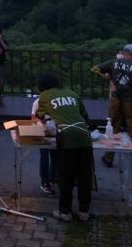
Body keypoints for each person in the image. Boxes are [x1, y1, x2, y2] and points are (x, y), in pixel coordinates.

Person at [35, 73, 93, 222]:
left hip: (66, 135)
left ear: (42, 86)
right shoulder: (72, 93)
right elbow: (85, 116)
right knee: (84, 175)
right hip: (84, 134)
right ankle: (84, 211)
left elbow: (39, 116)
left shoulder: (44, 96)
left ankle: (65, 212)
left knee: (66, 175)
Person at [90, 43, 132, 167]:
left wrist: (105, 76)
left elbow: (94, 68)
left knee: (112, 127)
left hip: (116, 100)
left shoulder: (113, 62)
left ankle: (108, 157)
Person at [31, 97, 57, 195]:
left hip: (55, 133)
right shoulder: (37, 102)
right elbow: (33, 118)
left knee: (55, 156)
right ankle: (45, 182)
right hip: (42, 133)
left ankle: (53, 178)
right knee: (44, 156)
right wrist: (43, 125)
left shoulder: (56, 100)